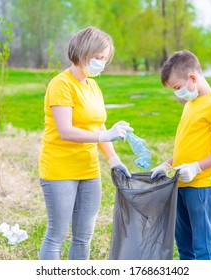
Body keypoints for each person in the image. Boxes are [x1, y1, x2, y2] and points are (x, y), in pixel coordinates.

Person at [38, 26, 133, 260]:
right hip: (60, 169)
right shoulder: (61, 84)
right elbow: (66, 131)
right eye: (98, 58)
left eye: (105, 58)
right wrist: (104, 136)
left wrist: (114, 160)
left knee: (83, 237)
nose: (102, 63)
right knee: (57, 235)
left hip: (89, 169)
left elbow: (99, 125)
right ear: (82, 53)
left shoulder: (93, 86)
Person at [151, 50, 211, 260]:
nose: (177, 93)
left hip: (203, 186)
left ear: (193, 78)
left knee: (203, 249)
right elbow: (187, 145)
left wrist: (196, 167)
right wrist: (167, 165)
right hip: (182, 184)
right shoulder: (190, 104)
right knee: (185, 248)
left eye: (178, 88)